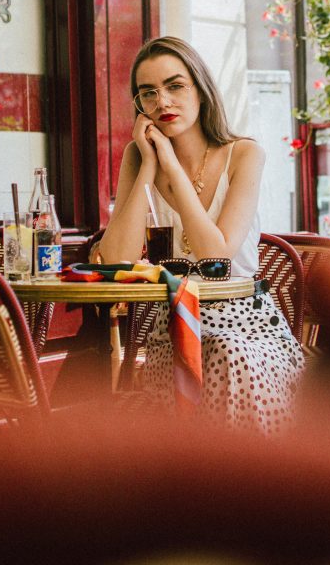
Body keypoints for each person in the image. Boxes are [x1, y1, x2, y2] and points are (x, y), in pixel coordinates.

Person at [95, 35, 304, 434]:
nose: (163, 102)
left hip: (248, 327)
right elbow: (118, 260)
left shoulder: (244, 154)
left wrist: (173, 168)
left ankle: (237, 488)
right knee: (215, 356)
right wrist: (149, 169)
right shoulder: (138, 158)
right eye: (149, 93)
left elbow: (218, 258)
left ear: (201, 90)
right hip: (174, 326)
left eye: (175, 86)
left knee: (226, 354)